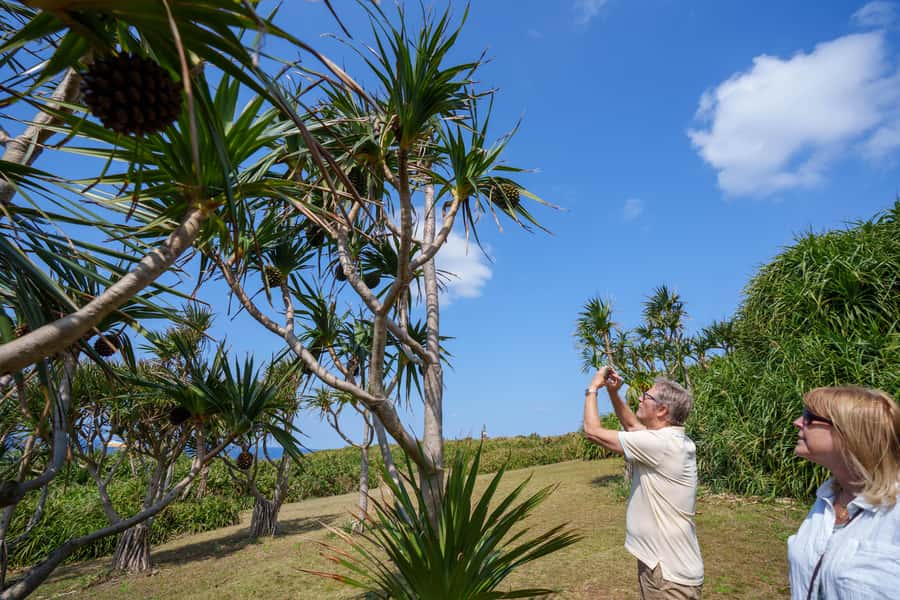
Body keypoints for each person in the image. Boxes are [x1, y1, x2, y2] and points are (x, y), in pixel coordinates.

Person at [583, 366, 704, 599]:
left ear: (662, 410)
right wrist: (613, 393)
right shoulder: (670, 439)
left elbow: (592, 432)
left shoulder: (661, 445)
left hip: (667, 576)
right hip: (665, 567)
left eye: (646, 396)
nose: (640, 398)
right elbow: (631, 426)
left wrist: (593, 389)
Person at [788, 386, 900, 600]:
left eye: (808, 417)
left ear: (848, 432)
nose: (797, 423)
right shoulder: (827, 499)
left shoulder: (894, 512)